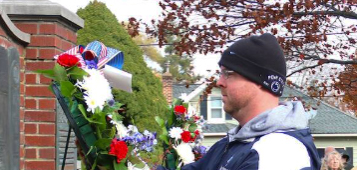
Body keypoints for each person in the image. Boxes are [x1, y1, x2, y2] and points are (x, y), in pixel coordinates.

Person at [158, 33, 321, 170]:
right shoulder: (232, 144)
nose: (219, 82)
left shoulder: (279, 152)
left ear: (260, 80)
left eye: (228, 74)